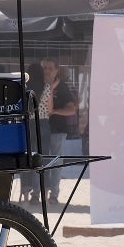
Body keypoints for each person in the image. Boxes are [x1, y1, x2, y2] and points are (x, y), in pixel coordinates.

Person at [37, 57, 80, 201]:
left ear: (56, 70)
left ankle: (53, 194)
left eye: (50, 68)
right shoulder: (37, 85)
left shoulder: (62, 87)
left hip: (57, 130)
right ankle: (37, 193)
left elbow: (71, 109)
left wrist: (55, 111)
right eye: (45, 68)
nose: (47, 71)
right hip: (39, 130)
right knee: (40, 160)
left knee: (55, 161)